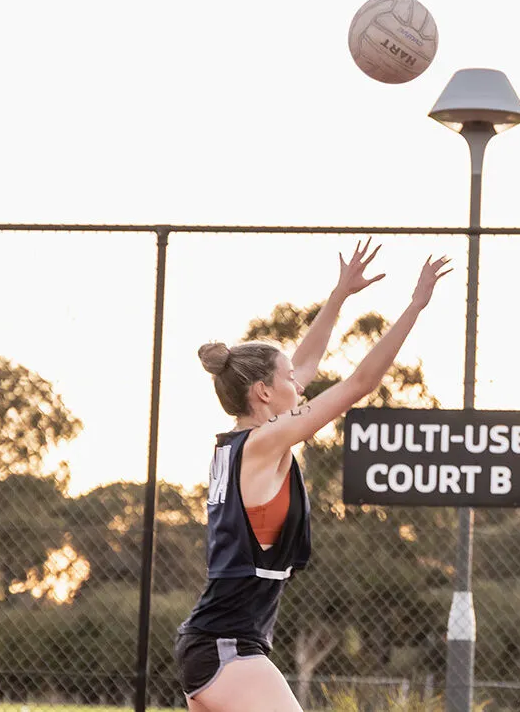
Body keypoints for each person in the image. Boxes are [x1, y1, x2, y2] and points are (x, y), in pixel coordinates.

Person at [174, 240, 451, 712]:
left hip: (217, 642)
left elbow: (302, 364)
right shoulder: (264, 444)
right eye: (287, 380)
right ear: (263, 392)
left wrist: (339, 297)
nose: (299, 383)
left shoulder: (241, 444)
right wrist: (414, 307)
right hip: (227, 645)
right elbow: (359, 383)